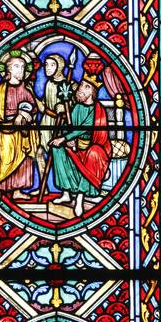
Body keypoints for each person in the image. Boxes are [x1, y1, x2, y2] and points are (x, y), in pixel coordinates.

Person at [49, 70, 112, 217]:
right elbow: (70, 127)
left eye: (86, 87)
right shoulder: (77, 107)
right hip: (75, 146)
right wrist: (67, 139)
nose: (81, 89)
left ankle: (80, 198)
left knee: (93, 153)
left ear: (92, 92)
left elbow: (83, 128)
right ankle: (66, 193)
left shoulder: (98, 110)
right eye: (81, 85)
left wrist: (69, 140)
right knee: (57, 149)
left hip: (92, 149)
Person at [0, 51, 41, 212]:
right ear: (8, 70)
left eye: (23, 67)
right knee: (6, 161)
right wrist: (15, 117)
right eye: (17, 66)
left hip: (24, 131)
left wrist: (25, 114)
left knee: (24, 161)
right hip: (8, 131)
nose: (21, 70)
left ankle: (18, 191)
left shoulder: (27, 88)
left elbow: (33, 109)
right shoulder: (2, 89)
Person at [38, 54, 70, 190]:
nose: (48, 68)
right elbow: (44, 105)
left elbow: (72, 107)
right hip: (46, 123)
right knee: (39, 153)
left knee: (59, 158)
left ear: (60, 66)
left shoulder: (68, 85)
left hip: (59, 125)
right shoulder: (49, 83)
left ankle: (66, 191)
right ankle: (43, 188)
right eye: (46, 64)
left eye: (52, 64)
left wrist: (65, 107)